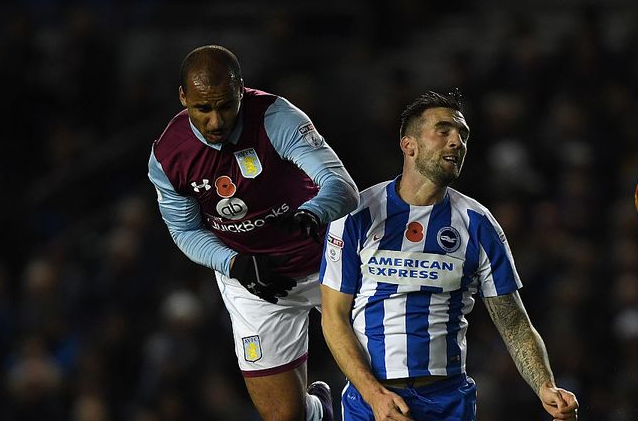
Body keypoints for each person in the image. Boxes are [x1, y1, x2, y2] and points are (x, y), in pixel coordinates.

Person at [319, 90, 579, 420]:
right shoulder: (356, 215)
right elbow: (333, 317)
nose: (457, 142)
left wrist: (545, 385)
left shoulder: (478, 223)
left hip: (447, 402)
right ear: (408, 144)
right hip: (370, 399)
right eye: (443, 131)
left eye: (463, 135)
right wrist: (374, 395)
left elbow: (513, 323)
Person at [148, 44, 359, 421]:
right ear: (183, 98)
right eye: (203, 109)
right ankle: (321, 413)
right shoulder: (168, 156)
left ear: (241, 90)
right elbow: (184, 230)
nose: (216, 121)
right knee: (284, 417)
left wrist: (309, 215)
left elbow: (341, 187)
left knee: (389, 383)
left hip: (330, 265)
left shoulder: (276, 117)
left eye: (226, 105)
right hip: (257, 282)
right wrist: (235, 265)